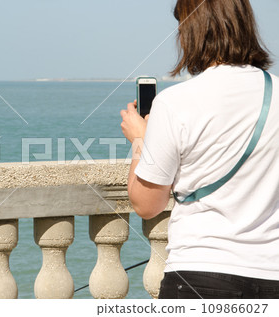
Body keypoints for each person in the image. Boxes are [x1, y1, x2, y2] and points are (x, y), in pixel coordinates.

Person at [120, 0, 279, 299]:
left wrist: (141, 139)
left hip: (200, 274)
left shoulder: (175, 102)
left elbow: (147, 204)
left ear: (191, 31)